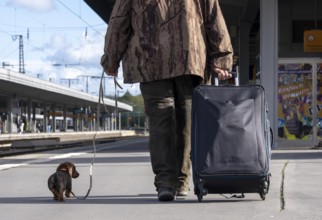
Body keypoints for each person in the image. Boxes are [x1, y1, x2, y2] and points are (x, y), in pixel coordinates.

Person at [101, 0, 233, 201]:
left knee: (161, 121)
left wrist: (111, 59)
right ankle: (180, 181)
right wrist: (221, 57)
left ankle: (165, 182)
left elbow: (119, 22)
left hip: (149, 60)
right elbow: (213, 17)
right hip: (190, 58)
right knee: (186, 121)